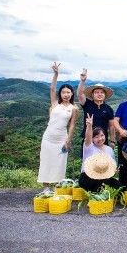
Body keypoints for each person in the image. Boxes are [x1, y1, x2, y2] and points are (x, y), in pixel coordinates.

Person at [37, 62, 77, 191]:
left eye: (68, 92)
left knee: (59, 164)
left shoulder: (73, 108)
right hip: (48, 137)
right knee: (46, 161)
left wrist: (68, 141)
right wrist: (56, 74)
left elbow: (71, 126)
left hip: (61, 138)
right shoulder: (55, 104)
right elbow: (52, 89)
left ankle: (57, 187)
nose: (66, 94)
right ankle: (46, 188)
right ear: (60, 94)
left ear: (72, 94)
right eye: (64, 92)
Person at [78, 113, 120, 192]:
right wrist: (89, 126)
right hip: (88, 178)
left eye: (102, 135)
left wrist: (115, 170)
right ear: (92, 139)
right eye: (96, 137)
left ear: (105, 136)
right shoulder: (89, 148)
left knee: (119, 187)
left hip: (103, 177)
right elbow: (88, 137)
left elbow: (112, 166)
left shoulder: (109, 149)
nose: (100, 138)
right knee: (100, 188)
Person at [76, 69, 115, 147]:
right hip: (88, 140)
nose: (99, 94)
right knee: (88, 159)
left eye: (101, 92)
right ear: (92, 95)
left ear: (105, 95)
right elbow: (80, 94)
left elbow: (111, 126)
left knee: (102, 159)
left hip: (103, 140)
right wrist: (82, 81)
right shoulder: (87, 104)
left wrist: (112, 141)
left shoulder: (108, 109)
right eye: (96, 92)